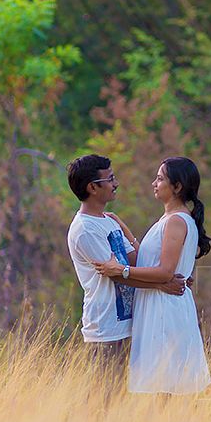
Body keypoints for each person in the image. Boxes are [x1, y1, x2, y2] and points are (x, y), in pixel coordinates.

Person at [95, 156, 211, 395]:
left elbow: (164, 272)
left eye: (160, 179)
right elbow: (147, 258)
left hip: (165, 308)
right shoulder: (168, 220)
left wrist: (121, 271)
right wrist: (122, 226)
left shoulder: (177, 221)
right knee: (159, 384)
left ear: (177, 187)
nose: (154, 184)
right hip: (157, 304)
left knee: (165, 384)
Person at [66, 154, 187, 379]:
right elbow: (117, 276)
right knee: (105, 399)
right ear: (93, 187)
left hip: (131, 323)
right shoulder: (85, 229)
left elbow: (135, 262)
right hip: (106, 328)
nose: (116, 184)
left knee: (129, 403)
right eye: (110, 179)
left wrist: (125, 228)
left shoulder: (108, 221)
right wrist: (162, 284)